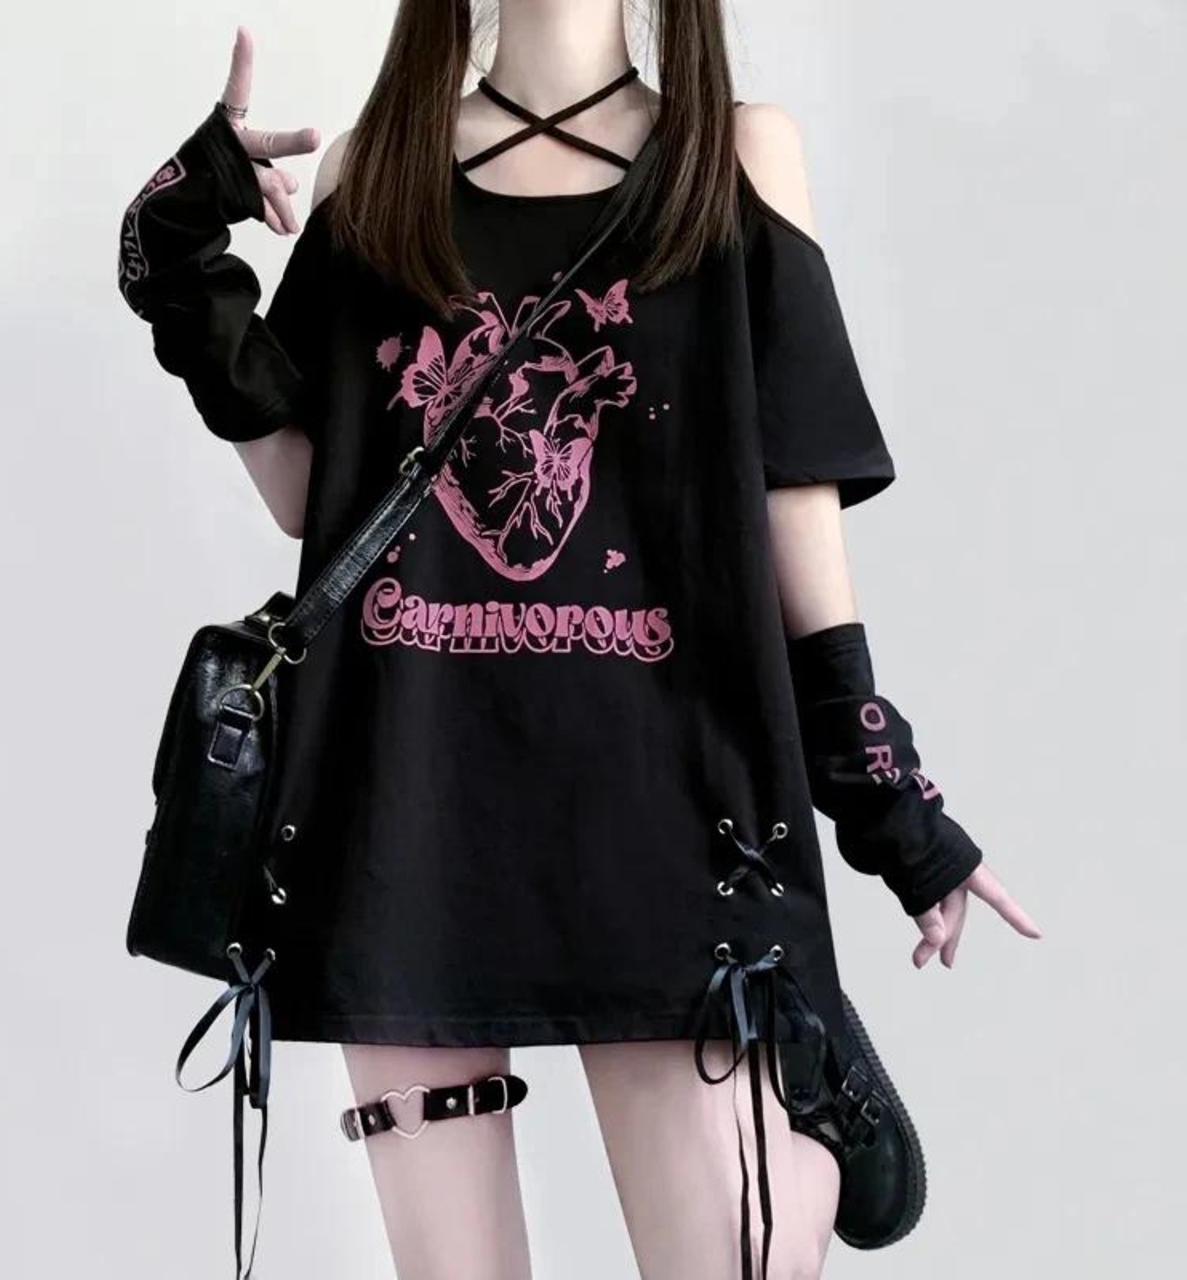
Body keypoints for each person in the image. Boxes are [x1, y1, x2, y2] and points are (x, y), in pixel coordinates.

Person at [117, 5, 1043, 1278]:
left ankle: (801, 1112)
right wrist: (179, 253)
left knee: (744, 1253)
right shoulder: (375, 173)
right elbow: (310, 497)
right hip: (410, 813)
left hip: (668, 819)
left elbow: (794, 515)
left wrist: (890, 802)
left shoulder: (732, 159)